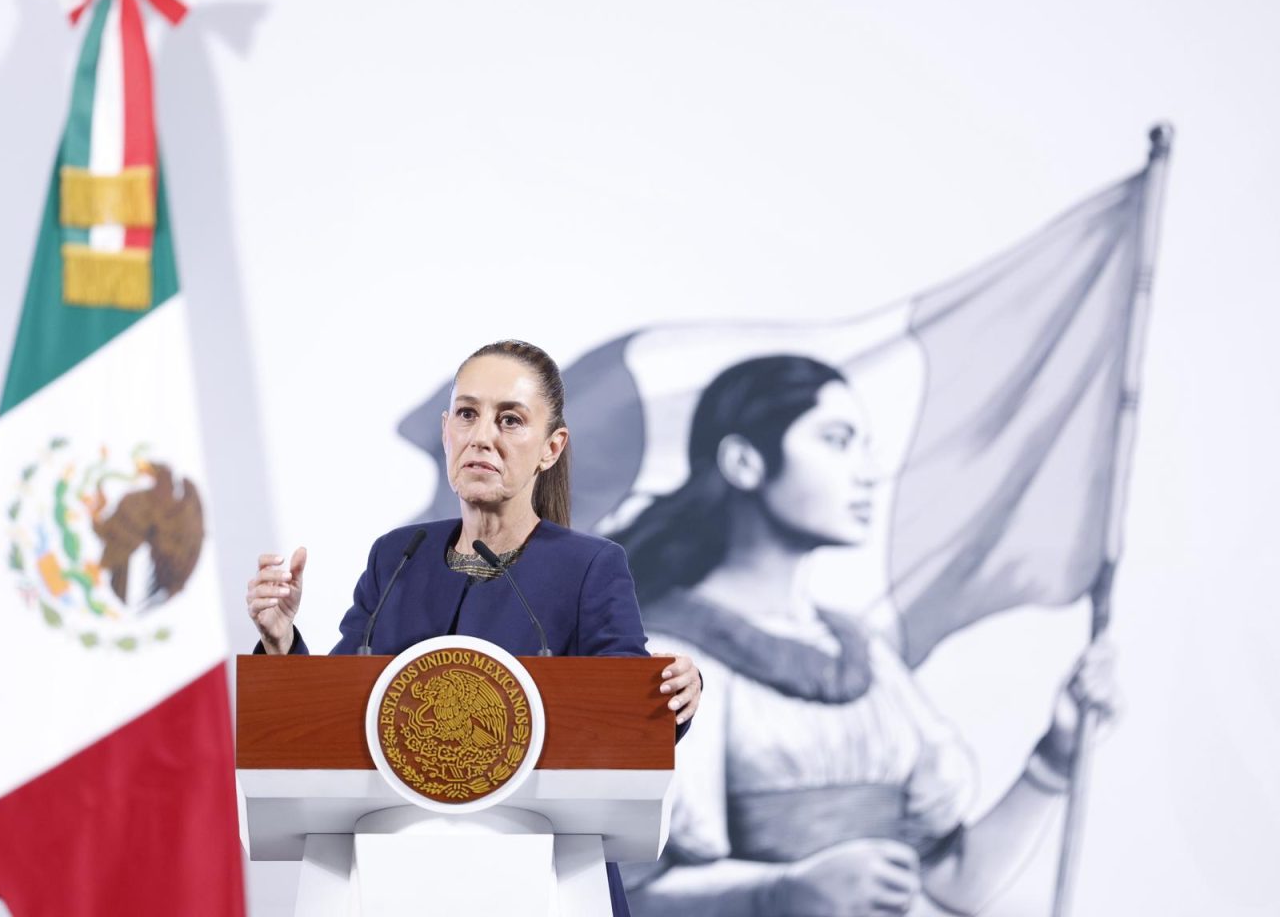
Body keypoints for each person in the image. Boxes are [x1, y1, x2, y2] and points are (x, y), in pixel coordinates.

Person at [613, 355, 1120, 917]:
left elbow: (954, 882)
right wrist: (780, 893)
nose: (867, 470)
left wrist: (1055, 755)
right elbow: (626, 894)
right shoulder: (664, 660)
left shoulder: (866, 657)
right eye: (837, 440)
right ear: (744, 461)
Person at [246, 339, 703, 917]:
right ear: (446, 430)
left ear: (550, 447)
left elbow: (628, 720)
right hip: (394, 881)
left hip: (546, 882)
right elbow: (332, 717)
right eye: (467, 414)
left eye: (509, 420)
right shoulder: (397, 557)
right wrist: (281, 639)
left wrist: (673, 697)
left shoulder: (590, 566)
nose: (481, 436)